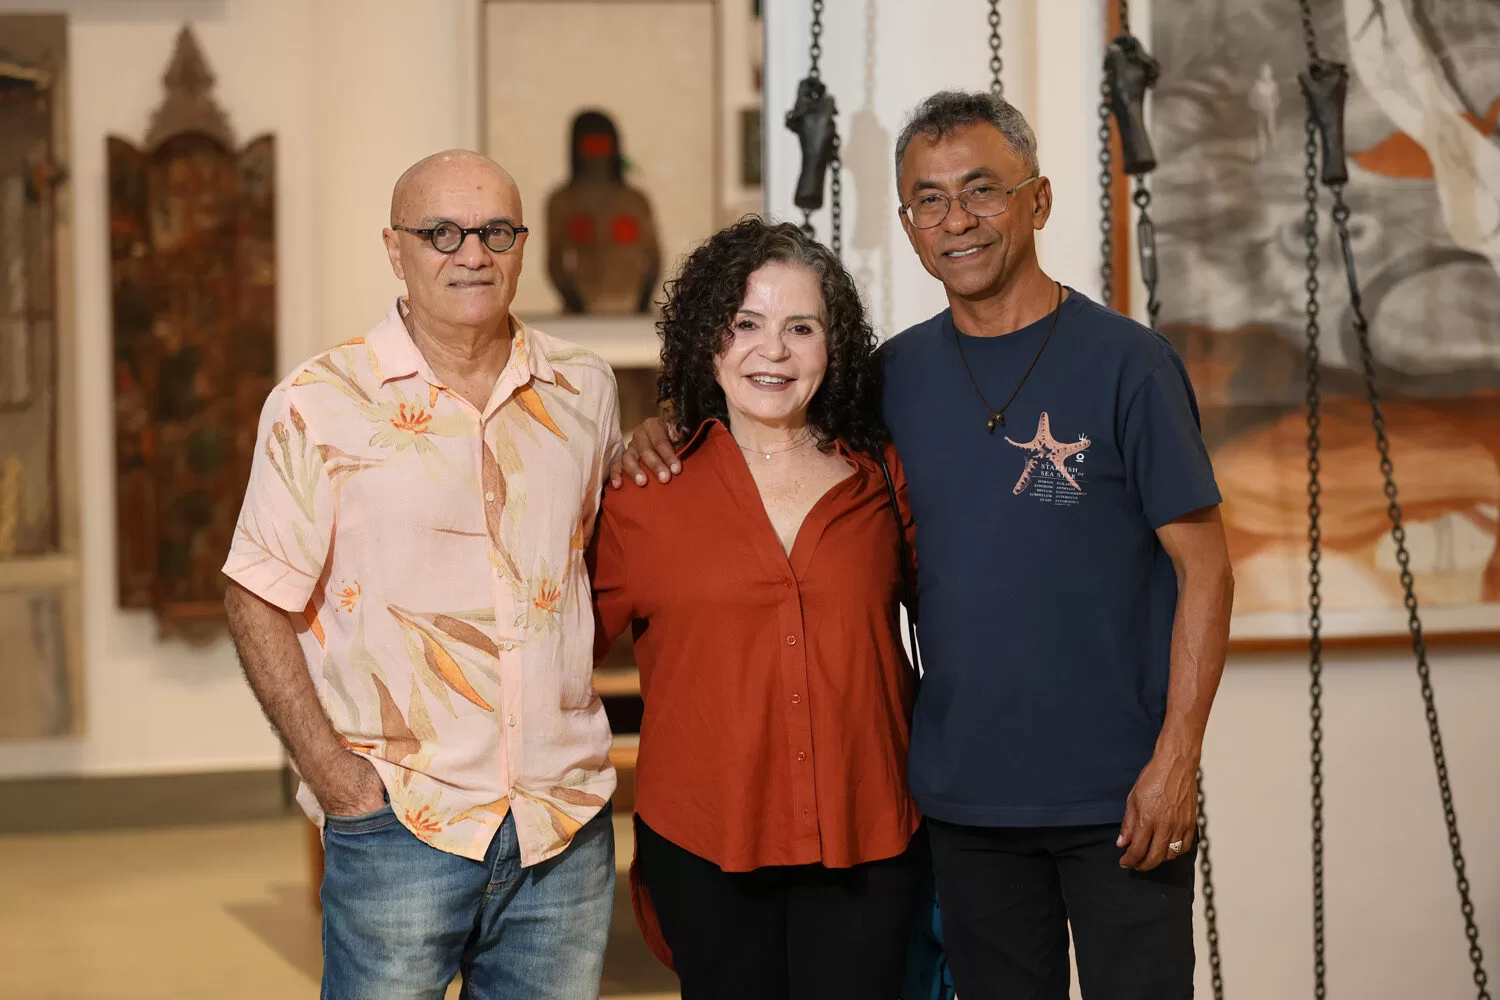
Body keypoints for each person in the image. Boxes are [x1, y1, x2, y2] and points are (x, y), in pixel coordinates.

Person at [619, 91, 1235, 1000]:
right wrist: (668, 422)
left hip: (1121, 793)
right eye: (929, 200)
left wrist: (1177, 760)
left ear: (1038, 199)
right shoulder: (890, 380)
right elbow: (776, 410)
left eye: (982, 190)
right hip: (963, 804)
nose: (957, 220)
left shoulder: (1129, 365)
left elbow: (1206, 570)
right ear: (907, 223)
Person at [223, 149, 621, 1000]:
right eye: (441, 232)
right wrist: (336, 778)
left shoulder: (584, 389)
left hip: (562, 825)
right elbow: (255, 594)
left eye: (495, 231)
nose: (471, 253)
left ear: (522, 245)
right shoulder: (318, 401)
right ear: (393, 249)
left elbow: (594, 560)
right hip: (400, 822)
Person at [588, 217, 923, 1000]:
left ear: (832, 346)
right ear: (708, 340)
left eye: (800, 327)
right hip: (706, 842)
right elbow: (558, 653)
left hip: (869, 833)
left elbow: (962, 621)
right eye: (745, 324)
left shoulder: (881, 476)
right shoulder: (643, 493)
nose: (773, 351)